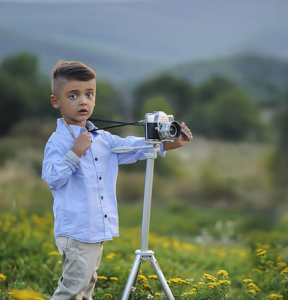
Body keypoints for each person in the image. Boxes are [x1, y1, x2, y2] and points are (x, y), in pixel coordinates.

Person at [42, 60, 193, 300]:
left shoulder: (102, 138)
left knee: (86, 285)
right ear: (56, 101)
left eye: (89, 94)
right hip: (76, 230)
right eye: (73, 95)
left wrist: (168, 143)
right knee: (72, 289)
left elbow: (131, 146)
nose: (83, 101)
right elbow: (51, 177)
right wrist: (75, 152)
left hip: (95, 230)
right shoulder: (59, 141)